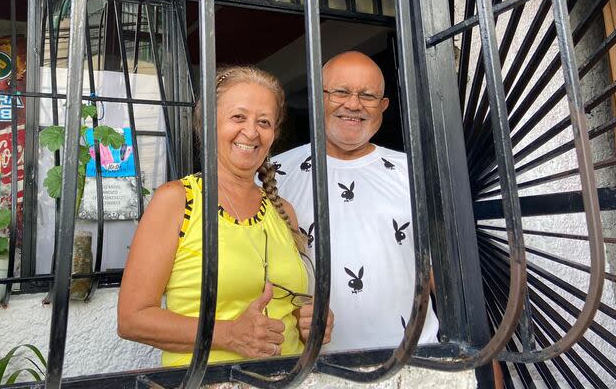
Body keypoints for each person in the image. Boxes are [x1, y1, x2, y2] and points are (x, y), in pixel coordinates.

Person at [117, 66, 333, 366]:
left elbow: (288, 306)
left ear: (274, 135)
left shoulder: (283, 210)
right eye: (238, 117)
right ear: (208, 123)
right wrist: (228, 334)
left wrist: (308, 321)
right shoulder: (177, 200)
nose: (251, 131)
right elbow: (132, 319)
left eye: (264, 122)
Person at [272, 51, 439, 352]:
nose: (353, 104)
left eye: (368, 95)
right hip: (315, 367)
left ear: (383, 105)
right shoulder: (273, 176)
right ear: (316, 97)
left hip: (418, 358)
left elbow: (446, 273)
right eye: (340, 91)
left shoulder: (415, 172)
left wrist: (475, 353)